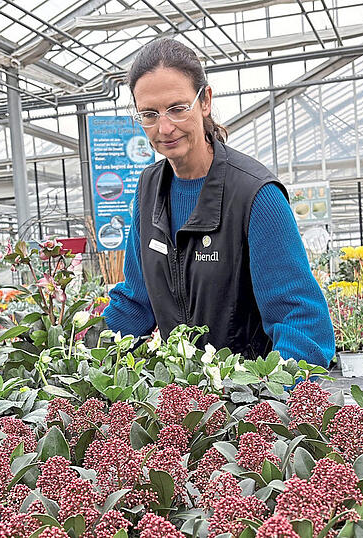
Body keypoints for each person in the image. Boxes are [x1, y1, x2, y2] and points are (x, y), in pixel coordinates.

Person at [102, 38, 335, 368]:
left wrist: (267, 391)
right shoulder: (149, 190)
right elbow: (136, 302)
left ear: (205, 101)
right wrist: (74, 350)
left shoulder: (255, 195)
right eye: (149, 114)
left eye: (177, 108)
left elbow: (301, 321)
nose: (164, 128)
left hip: (250, 392)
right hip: (182, 391)